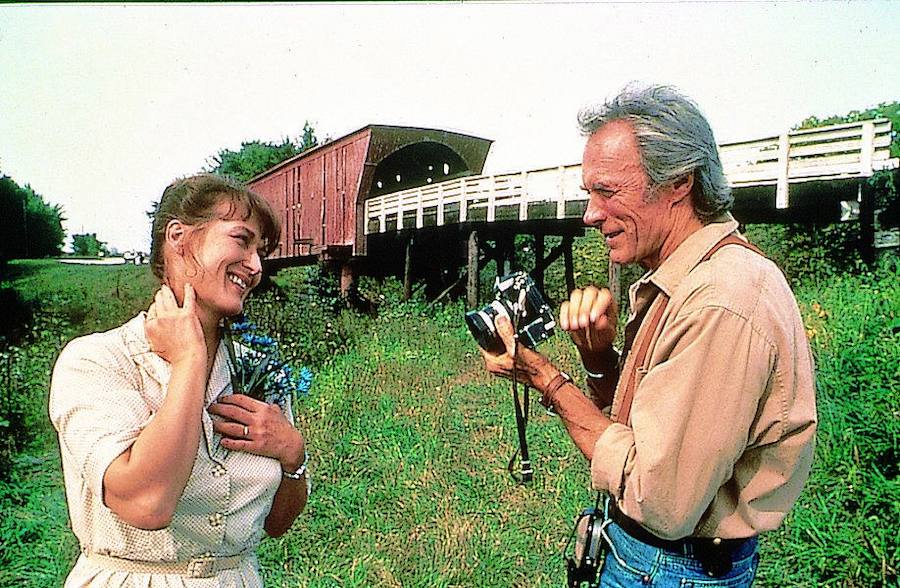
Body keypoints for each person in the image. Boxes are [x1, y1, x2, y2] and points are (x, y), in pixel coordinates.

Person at [481, 85, 816, 586]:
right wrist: (597, 358)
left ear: (679, 182)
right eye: (589, 193)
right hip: (660, 559)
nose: (591, 214)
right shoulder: (690, 276)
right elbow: (650, 425)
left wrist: (545, 378)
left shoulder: (720, 301)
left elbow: (660, 500)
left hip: (674, 567)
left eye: (608, 192)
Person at [49, 173, 309, 586]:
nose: (257, 266)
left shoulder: (259, 372)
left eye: (261, 250)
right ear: (179, 237)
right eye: (242, 240)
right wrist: (189, 359)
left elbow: (277, 525)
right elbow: (147, 503)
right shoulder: (97, 361)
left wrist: (294, 455)